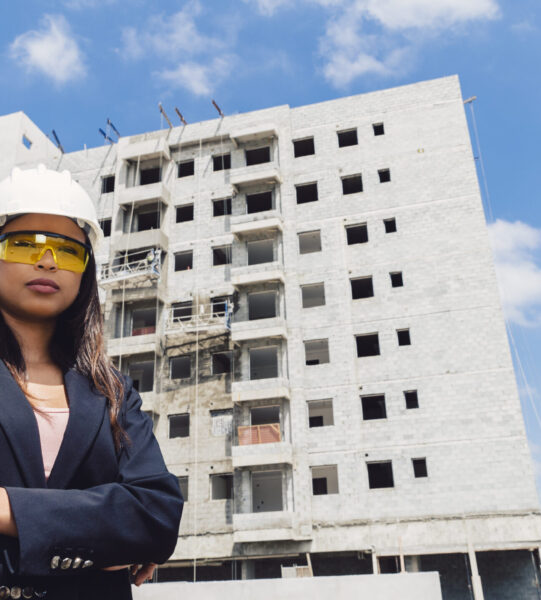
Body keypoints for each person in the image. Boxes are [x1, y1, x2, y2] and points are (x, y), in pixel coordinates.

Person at [0, 165, 183, 600]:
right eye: (25, 245)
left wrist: (8, 511)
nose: (47, 260)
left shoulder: (112, 391)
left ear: (85, 270)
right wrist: (100, 535)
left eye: (67, 251)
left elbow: (157, 516)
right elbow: (129, 523)